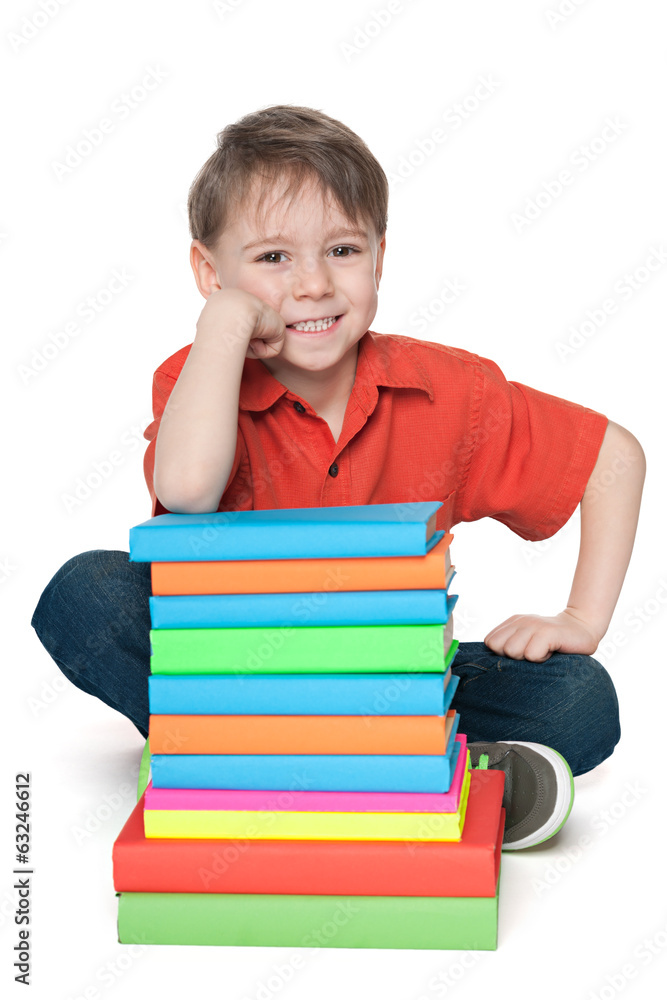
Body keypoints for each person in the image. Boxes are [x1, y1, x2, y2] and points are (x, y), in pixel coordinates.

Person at [31, 104, 645, 850]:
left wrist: (579, 620)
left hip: (394, 678)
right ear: (209, 272)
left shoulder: (450, 389)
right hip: (232, 673)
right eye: (271, 259)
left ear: (379, 256)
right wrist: (223, 326)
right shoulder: (198, 377)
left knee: (580, 699)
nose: (314, 284)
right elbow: (189, 489)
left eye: (342, 250)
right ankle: (384, 771)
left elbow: (611, 455)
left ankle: (310, 766)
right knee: (84, 594)